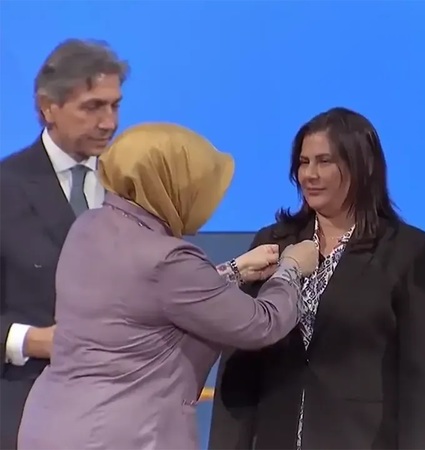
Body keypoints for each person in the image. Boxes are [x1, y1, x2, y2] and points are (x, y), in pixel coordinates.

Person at [16, 122, 320, 450]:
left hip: (48, 424)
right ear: (169, 183)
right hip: (126, 435)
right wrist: (291, 268)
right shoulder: (168, 259)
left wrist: (236, 271)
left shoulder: (89, 225)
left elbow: (153, 299)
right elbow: (261, 323)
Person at [208, 107, 425, 450]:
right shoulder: (272, 243)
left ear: (362, 166)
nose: (310, 174)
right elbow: (240, 360)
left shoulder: (409, 251)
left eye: (324, 162)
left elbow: (423, 379)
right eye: (303, 162)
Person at [0, 39, 128, 449]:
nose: (108, 122)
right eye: (93, 107)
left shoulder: (132, 185)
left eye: (115, 106)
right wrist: (31, 340)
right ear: (47, 107)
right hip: (26, 412)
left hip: (123, 415)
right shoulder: (6, 188)